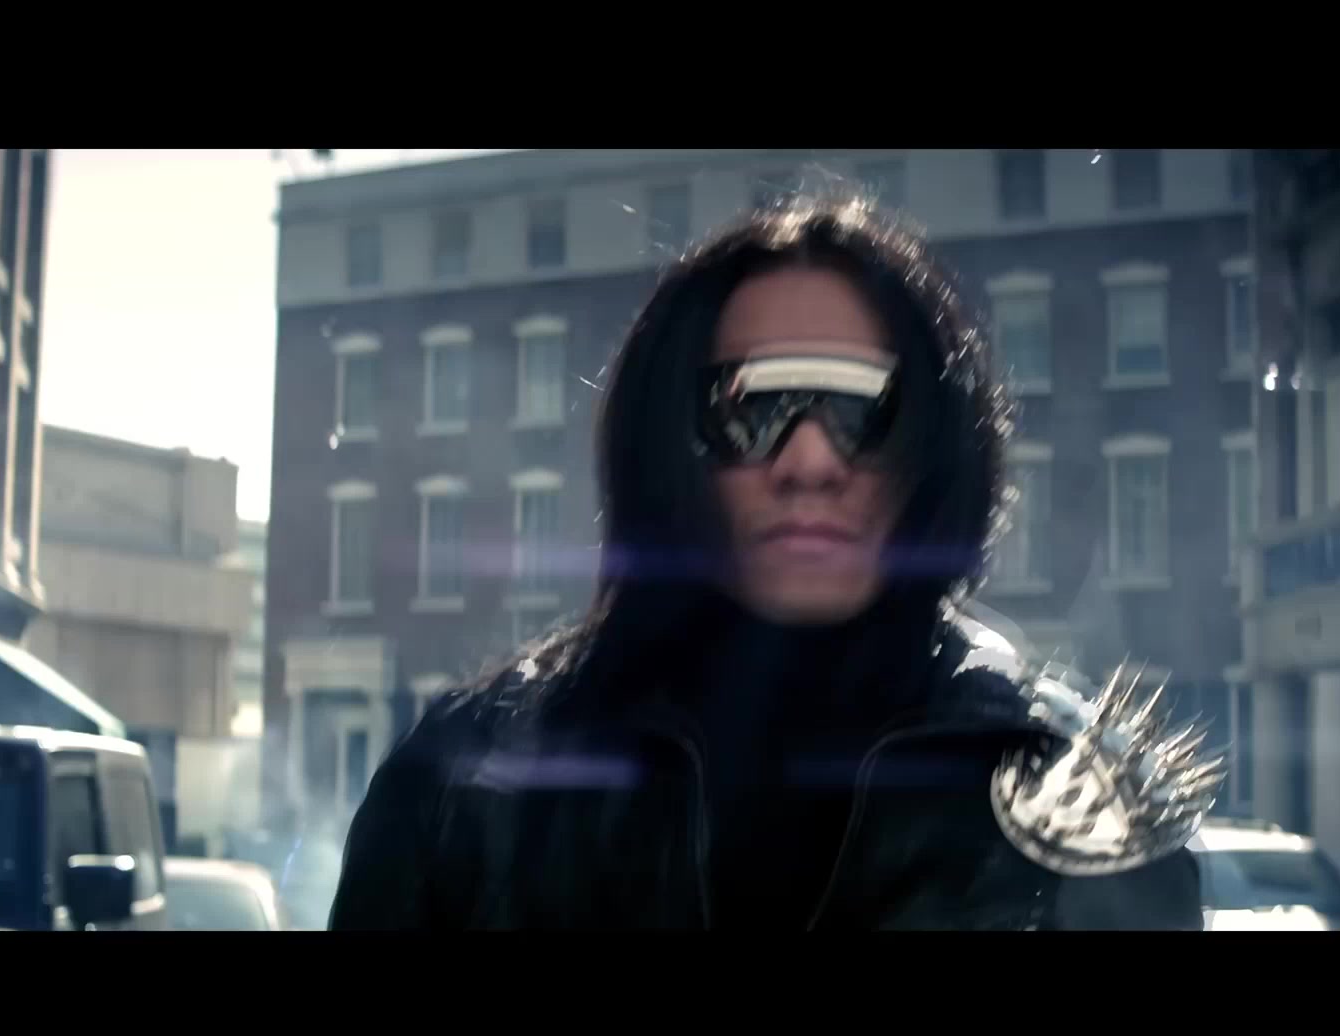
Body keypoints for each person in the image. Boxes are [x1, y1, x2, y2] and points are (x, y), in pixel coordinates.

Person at [328, 187, 1221, 930]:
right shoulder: (467, 786)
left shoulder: (1079, 807)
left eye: (864, 408)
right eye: (751, 405)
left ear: (935, 439)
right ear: (668, 440)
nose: (810, 461)